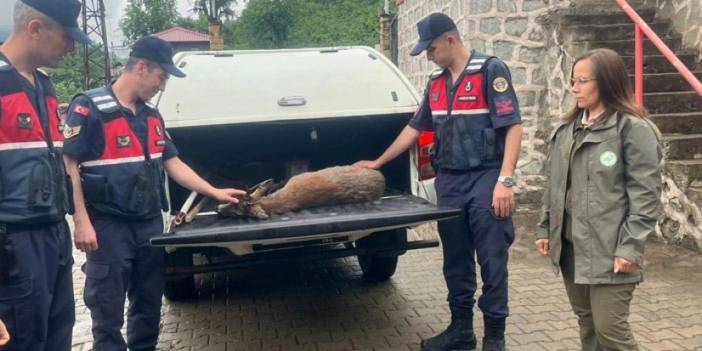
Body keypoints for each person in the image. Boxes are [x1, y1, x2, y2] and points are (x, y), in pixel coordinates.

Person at [62, 36, 246, 351]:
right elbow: (69, 164)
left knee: (148, 305)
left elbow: (173, 163)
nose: (162, 87)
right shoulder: (89, 108)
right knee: (106, 313)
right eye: (161, 77)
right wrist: (80, 220)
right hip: (108, 227)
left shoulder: (152, 117)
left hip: (148, 225)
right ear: (142, 67)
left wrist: (213, 191)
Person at [355, 12, 523, 351]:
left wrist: (505, 179)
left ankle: (495, 339)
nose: (429, 56)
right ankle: (461, 331)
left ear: (451, 40)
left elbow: (513, 126)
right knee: (456, 260)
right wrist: (378, 162)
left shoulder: (490, 71)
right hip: (450, 183)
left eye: (431, 49)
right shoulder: (436, 82)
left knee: (492, 260)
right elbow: (414, 128)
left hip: (486, 178)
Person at [535, 48, 663, 351]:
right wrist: (544, 227)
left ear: (606, 81)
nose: (574, 88)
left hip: (610, 250)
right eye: (572, 80)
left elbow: (645, 197)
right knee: (588, 325)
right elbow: (554, 185)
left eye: (582, 80)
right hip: (571, 248)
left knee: (611, 332)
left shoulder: (632, 129)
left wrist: (630, 247)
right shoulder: (567, 129)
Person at [0, 0, 92, 350]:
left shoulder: (44, 85)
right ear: (35, 28)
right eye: (67, 37)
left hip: (53, 236)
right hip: (13, 246)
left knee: (57, 337)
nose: (71, 47)